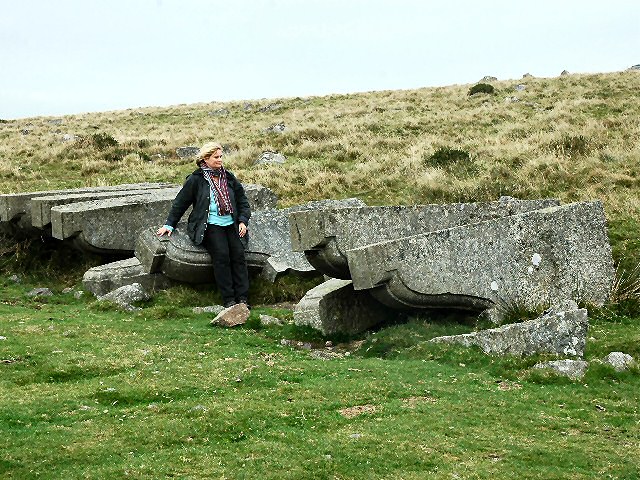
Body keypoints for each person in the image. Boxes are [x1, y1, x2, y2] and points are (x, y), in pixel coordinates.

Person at [156, 142, 251, 308]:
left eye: (221, 156)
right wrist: (169, 225)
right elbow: (180, 203)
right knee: (222, 256)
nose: (220, 160)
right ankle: (229, 300)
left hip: (231, 224)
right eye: (216, 157)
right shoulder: (196, 179)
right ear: (205, 159)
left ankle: (243, 299)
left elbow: (242, 201)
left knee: (238, 256)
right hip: (210, 226)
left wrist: (243, 220)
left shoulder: (228, 177)